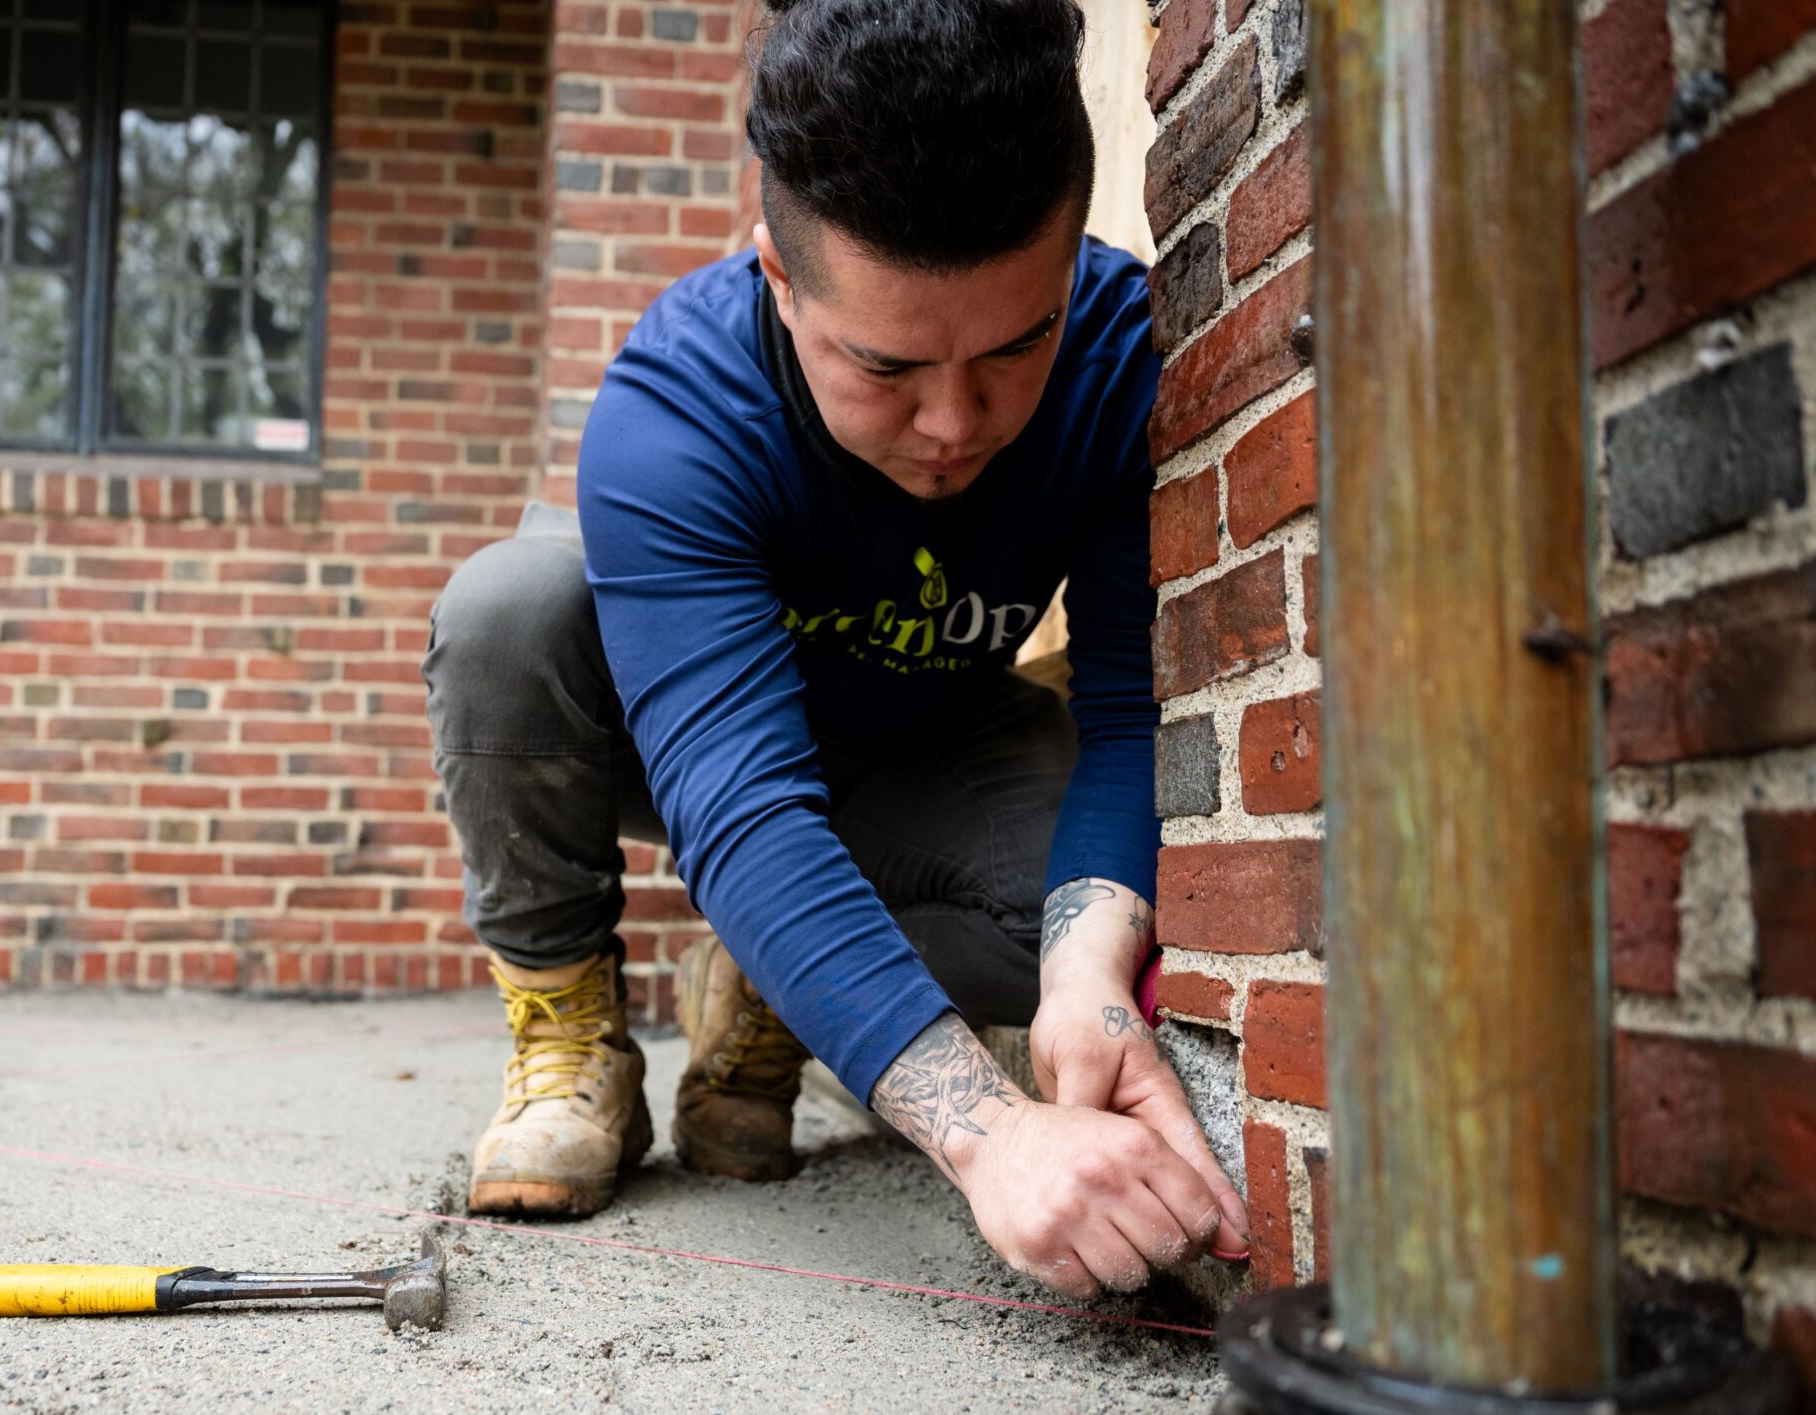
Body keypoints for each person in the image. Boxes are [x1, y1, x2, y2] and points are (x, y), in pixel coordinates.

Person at [421, 0, 1248, 1300]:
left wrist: (1089, 976)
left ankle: (770, 980)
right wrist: (990, 1135)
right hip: (695, 759)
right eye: (888, 365)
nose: (955, 423)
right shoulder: (673, 410)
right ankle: (572, 1034)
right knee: (509, 607)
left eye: (1013, 346)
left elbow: (1132, 715)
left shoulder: (1116, 353)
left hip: (923, 748)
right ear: (779, 279)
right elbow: (742, 811)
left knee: (1071, 909)